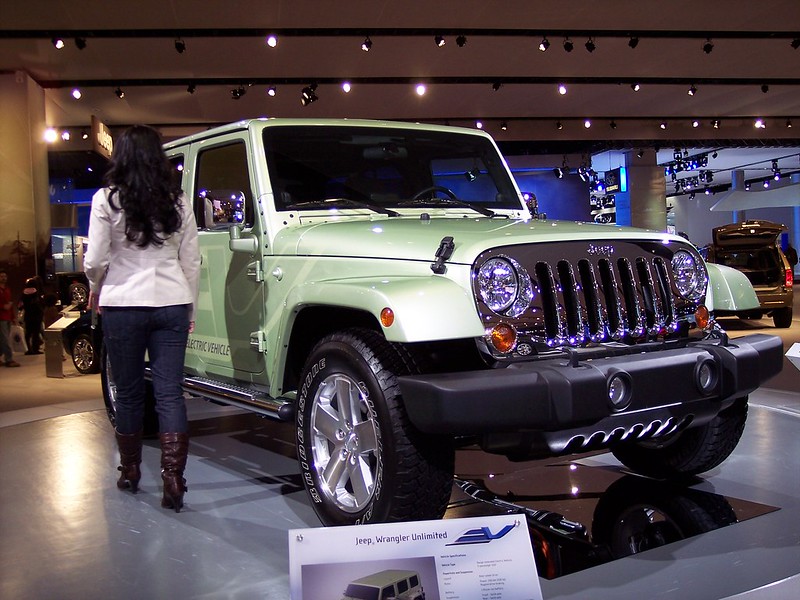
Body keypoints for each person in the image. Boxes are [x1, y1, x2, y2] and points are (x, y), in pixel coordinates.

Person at [84, 125, 200, 513]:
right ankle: (173, 479)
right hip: (171, 302)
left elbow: (95, 260)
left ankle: (131, 470)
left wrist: (95, 285)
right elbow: (191, 263)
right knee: (170, 393)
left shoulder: (107, 200)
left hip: (123, 304)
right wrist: (191, 309)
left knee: (131, 392)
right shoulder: (178, 201)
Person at [0, 269, 21, 367]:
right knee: (5, 339)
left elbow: (10, 303)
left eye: (5, 276)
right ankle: (9, 359)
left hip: (7, 316)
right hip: (1, 317)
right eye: (1, 276)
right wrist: (3, 306)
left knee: (3, 339)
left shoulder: (7, 289)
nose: (3, 278)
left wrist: (13, 317)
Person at [19, 276, 44, 354]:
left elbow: (21, 305)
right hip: (36, 316)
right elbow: (39, 304)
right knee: (36, 333)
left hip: (28, 315)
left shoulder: (24, 293)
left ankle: (28, 349)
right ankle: (35, 348)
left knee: (28, 333)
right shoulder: (36, 293)